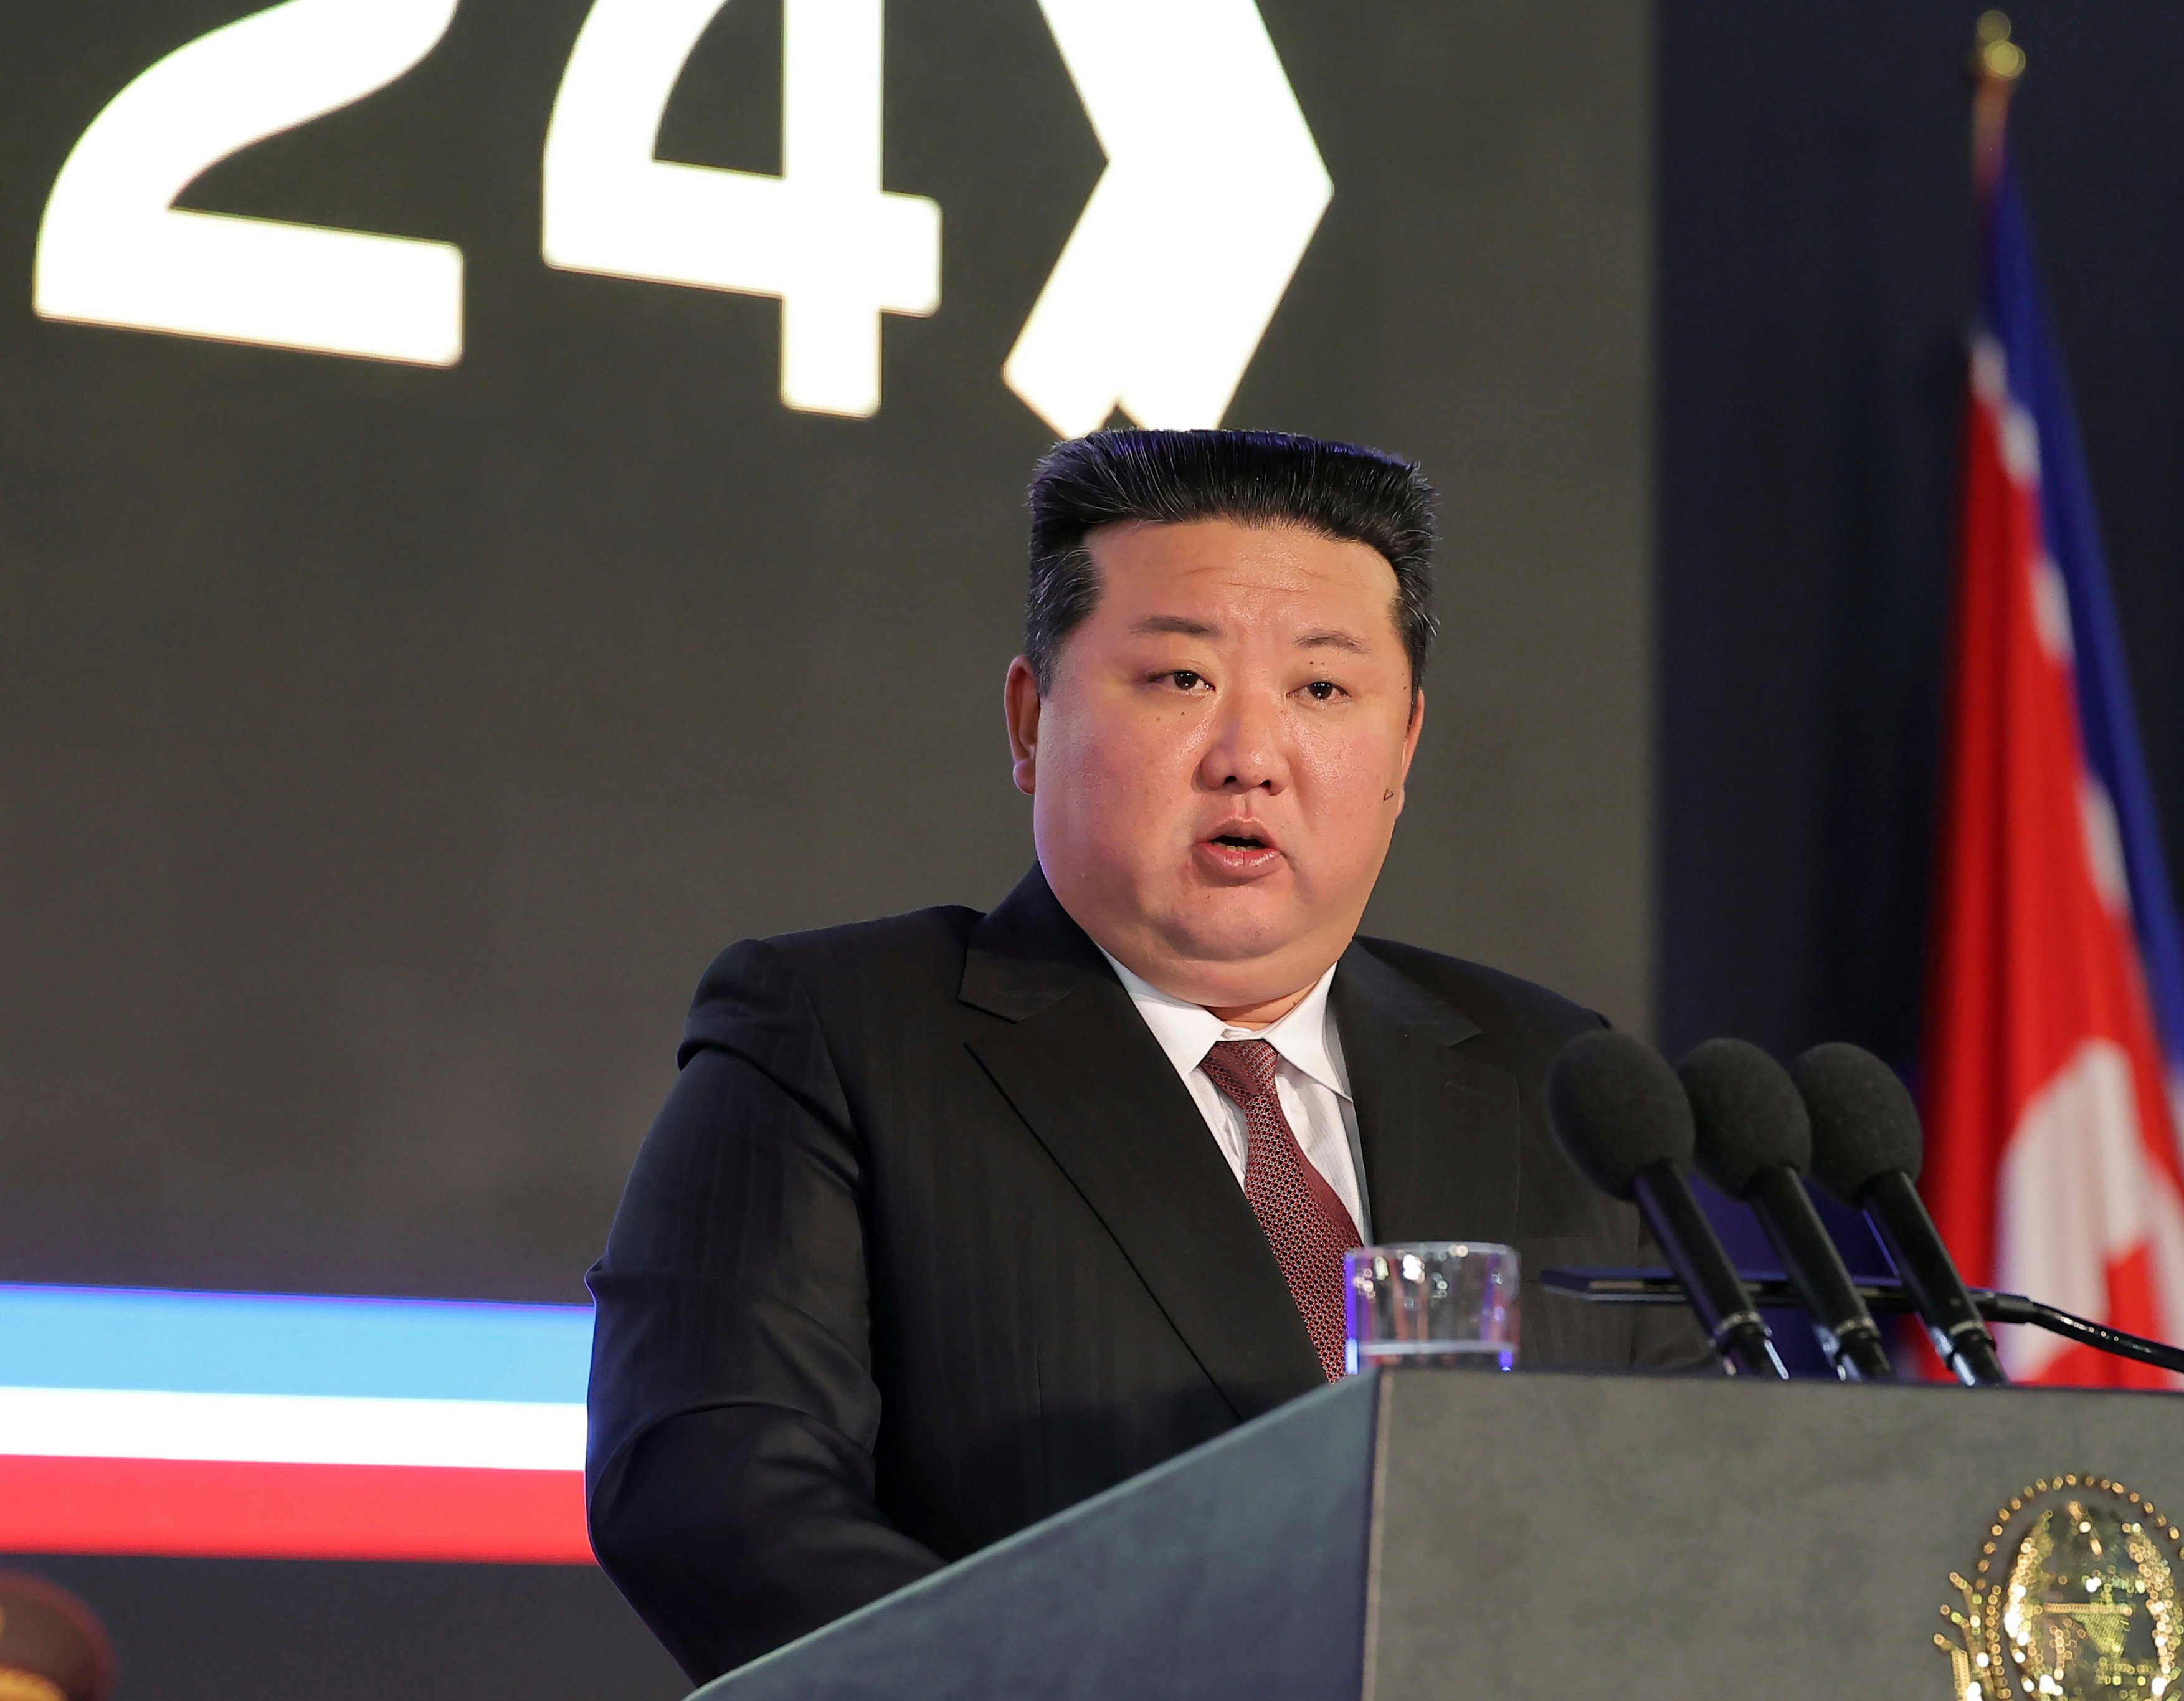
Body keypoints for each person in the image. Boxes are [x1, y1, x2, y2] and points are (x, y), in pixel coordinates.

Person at [584, 429, 1703, 1682]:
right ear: (1029, 717)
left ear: (1403, 749)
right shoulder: (840, 1037)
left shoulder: (1549, 1080)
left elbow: (1696, 1514)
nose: (1248, 755)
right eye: (1178, 679)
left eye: (1322, 691)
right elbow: (716, 1497)